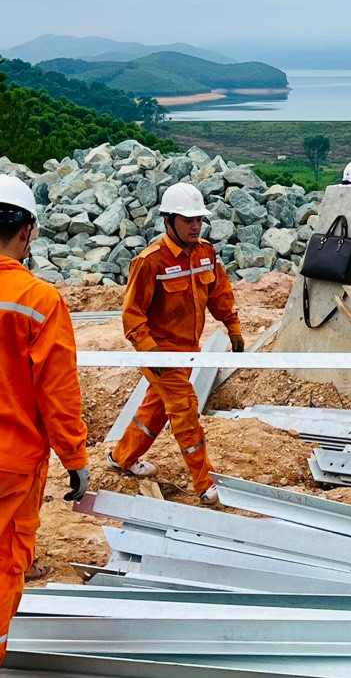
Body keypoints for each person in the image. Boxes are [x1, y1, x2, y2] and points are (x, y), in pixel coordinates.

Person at [110, 182, 244, 505]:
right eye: (188, 220)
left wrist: (233, 326)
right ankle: (204, 483)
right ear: (168, 221)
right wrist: (150, 350)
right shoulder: (149, 262)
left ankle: (121, 457)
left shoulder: (205, 253)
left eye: (199, 220)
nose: (196, 226)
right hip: (159, 354)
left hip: (188, 355)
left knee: (156, 409)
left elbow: (220, 294)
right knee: (184, 410)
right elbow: (132, 315)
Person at [0, 175, 88, 665]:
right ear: (28, 231)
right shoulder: (37, 300)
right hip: (10, 463)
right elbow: (56, 392)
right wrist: (75, 456)